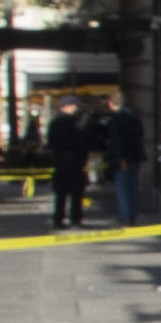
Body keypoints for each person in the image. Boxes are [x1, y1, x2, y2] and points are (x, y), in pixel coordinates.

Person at [92, 91, 147, 227]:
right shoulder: (134, 116)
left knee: (123, 188)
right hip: (135, 156)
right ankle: (132, 215)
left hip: (124, 157)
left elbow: (117, 141)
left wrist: (119, 158)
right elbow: (140, 136)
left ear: (111, 103)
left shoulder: (117, 119)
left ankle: (125, 217)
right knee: (132, 187)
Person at [45, 96, 91, 231]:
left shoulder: (55, 123)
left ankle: (58, 219)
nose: (76, 109)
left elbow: (51, 142)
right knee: (76, 192)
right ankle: (75, 219)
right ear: (67, 106)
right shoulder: (74, 123)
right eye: (74, 106)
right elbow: (82, 143)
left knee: (61, 193)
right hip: (74, 162)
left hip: (60, 161)